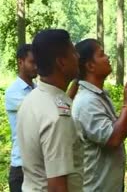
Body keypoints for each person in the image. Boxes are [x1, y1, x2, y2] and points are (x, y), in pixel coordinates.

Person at [72, 38, 127, 192]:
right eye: (102, 54)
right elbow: (113, 139)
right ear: (90, 66)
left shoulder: (99, 96)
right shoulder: (86, 103)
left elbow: (113, 133)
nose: (107, 57)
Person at [16, 29, 83, 192]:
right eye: (73, 52)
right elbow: (57, 186)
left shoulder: (32, 100)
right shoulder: (57, 115)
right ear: (61, 62)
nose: (78, 57)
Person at [5, 44, 37, 192]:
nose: (36, 66)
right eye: (32, 62)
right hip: (21, 168)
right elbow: (39, 112)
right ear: (20, 62)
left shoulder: (37, 89)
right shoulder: (13, 92)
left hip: (38, 167)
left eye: (38, 62)